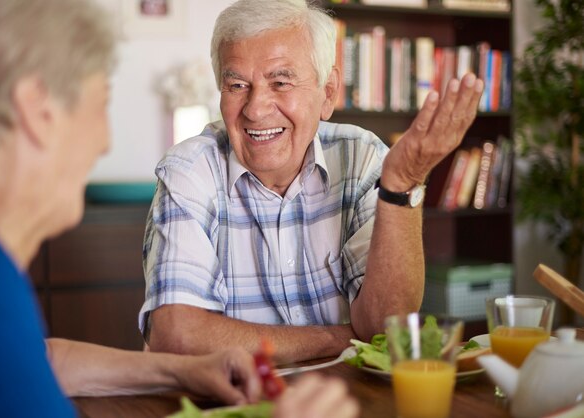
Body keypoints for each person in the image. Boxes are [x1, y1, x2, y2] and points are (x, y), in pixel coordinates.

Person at [0, 1, 359, 417]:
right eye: (101, 104)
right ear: (36, 110)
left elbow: (41, 360)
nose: (105, 142)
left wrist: (181, 372)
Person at [141, 0, 484, 364]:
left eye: (281, 82)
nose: (256, 109)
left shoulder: (361, 158)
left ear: (328, 92)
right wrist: (336, 338)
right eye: (238, 84)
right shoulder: (190, 171)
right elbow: (177, 335)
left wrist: (402, 184)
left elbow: (386, 327)